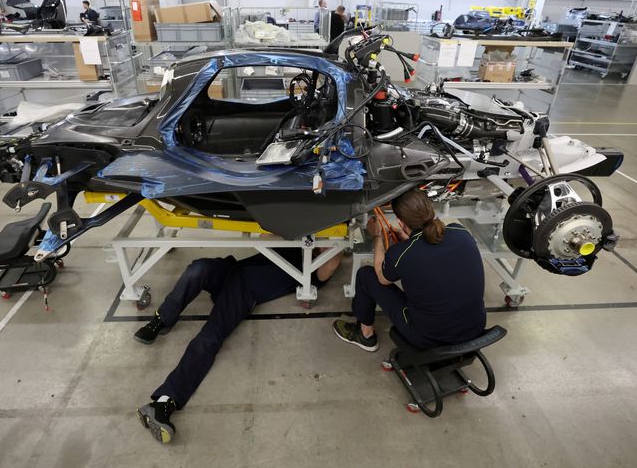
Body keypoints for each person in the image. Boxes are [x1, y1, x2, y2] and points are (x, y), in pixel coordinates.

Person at [136, 247, 343, 444]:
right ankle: (161, 319)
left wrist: (335, 243)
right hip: (231, 270)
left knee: (209, 338)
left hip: (243, 293)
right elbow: (265, 235)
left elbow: (332, 263)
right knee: (197, 268)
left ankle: (164, 402)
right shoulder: (298, 238)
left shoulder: (315, 271)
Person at [333, 188, 486, 352]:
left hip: (430, 339)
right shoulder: (461, 232)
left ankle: (365, 334)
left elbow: (382, 277)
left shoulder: (403, 254)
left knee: (366, 275)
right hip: (475, 330)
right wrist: (408, 242)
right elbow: (434, 258)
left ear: (401, 223)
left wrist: (377, 237)